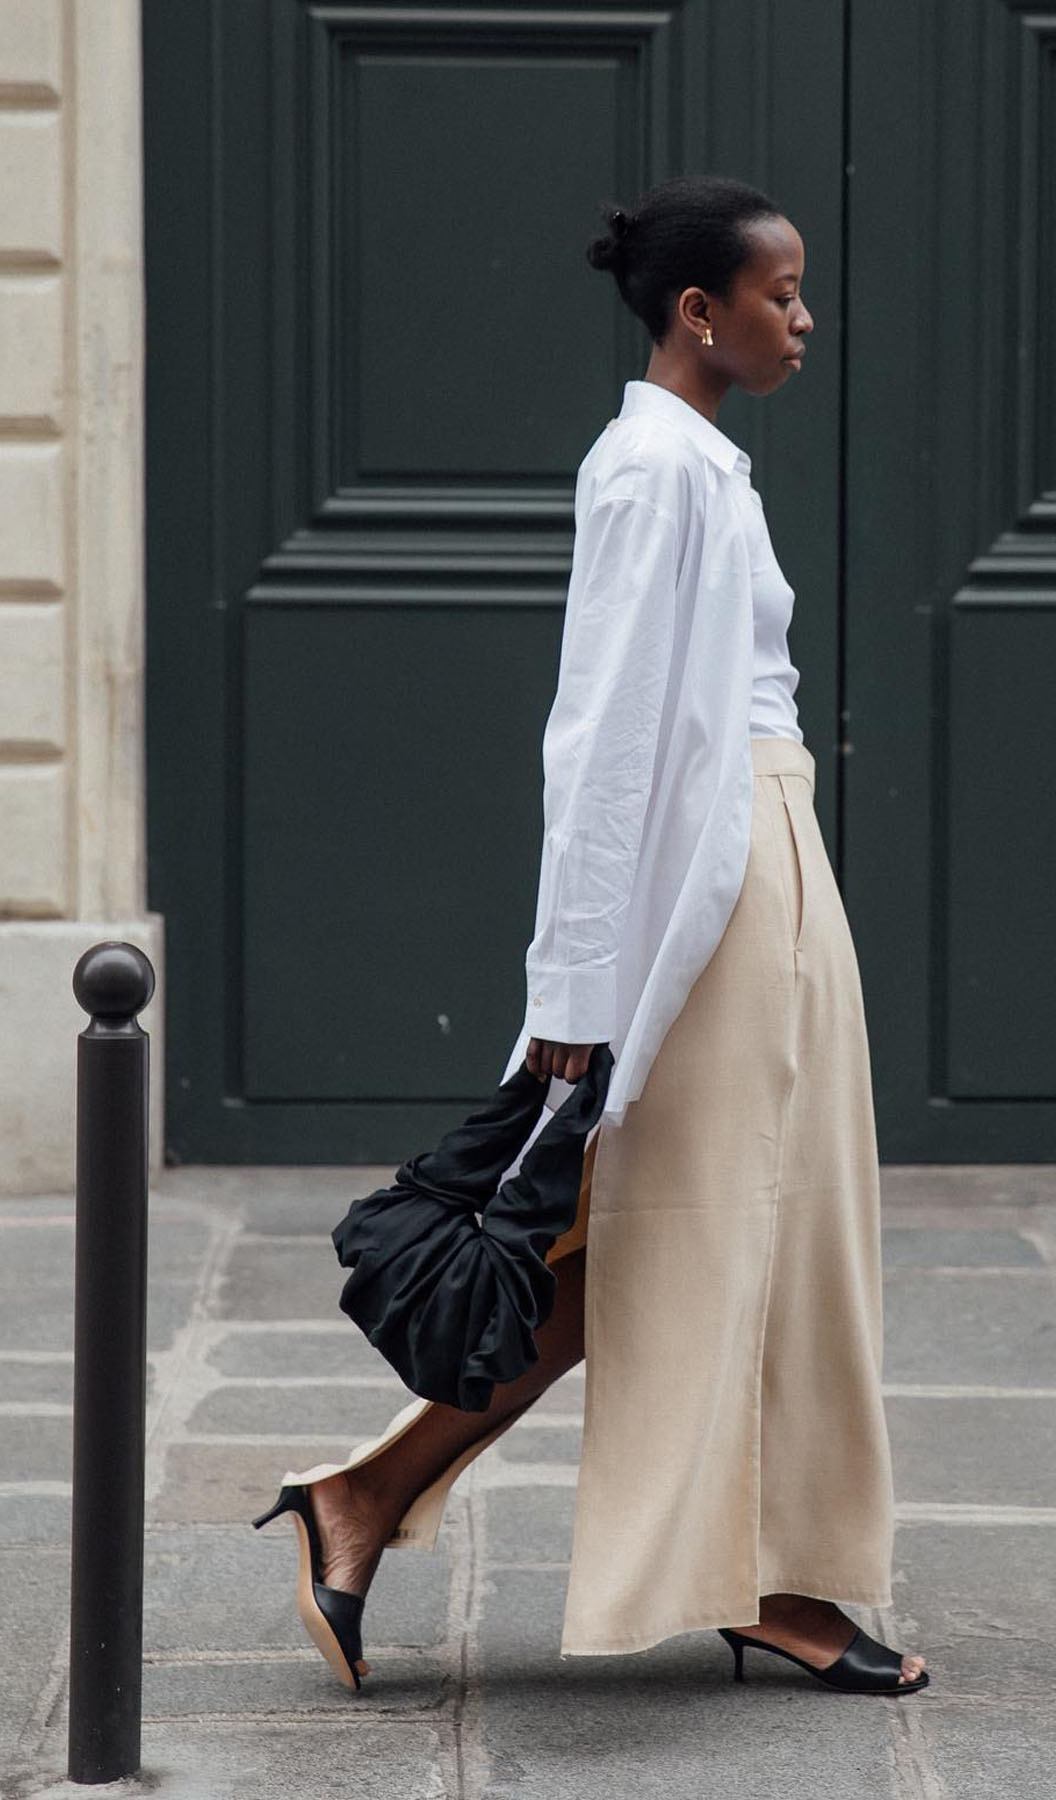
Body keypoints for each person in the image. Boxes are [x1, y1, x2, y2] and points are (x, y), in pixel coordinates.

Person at [253, 174, 928, 1698]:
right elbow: (604, 745)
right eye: (783, 294)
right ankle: (751, 1580)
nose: (806, 319)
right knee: (689, 1238)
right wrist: (573, 988)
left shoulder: (704, 462)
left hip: (768, 862)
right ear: (703, 310)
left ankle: (368, 1504)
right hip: (719, 886)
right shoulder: (650, 472)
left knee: (737, 1238)